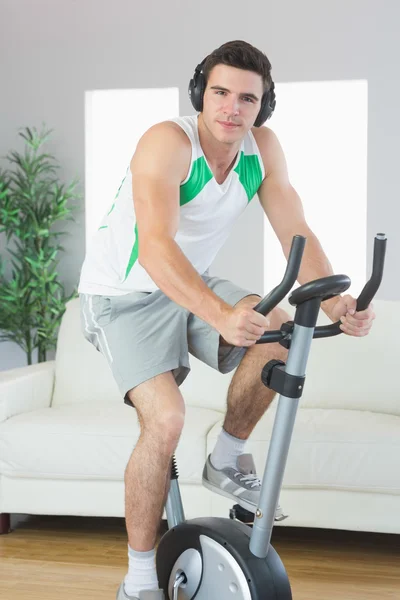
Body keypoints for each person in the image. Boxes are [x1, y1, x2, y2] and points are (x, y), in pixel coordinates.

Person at [78, 40, 375, 600]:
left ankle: (226, 454)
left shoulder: (262, 149)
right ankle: (139, 578)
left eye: (247, 98)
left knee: (281, 334)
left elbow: (296, 226)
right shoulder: (167, 143)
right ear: (200, 93)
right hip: (123, 293)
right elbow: (155, 248)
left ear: (262, 107)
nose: (231, 109)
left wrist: (338, 302)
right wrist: (218, 314)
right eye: (220, 93)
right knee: (164, 421)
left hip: (189, 278)